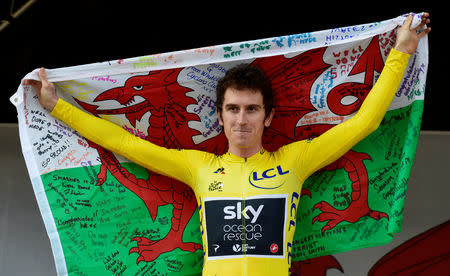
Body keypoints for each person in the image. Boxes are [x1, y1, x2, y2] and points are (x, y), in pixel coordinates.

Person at [25, 14, 430, 276]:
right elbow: (122, 142)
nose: (241, 119)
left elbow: (365, 122)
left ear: (268, 117)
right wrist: (58, 107)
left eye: (252, 109)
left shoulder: (297, 159)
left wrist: (401, 51)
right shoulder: (197, 167)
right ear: (219, 116)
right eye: (233, 109)